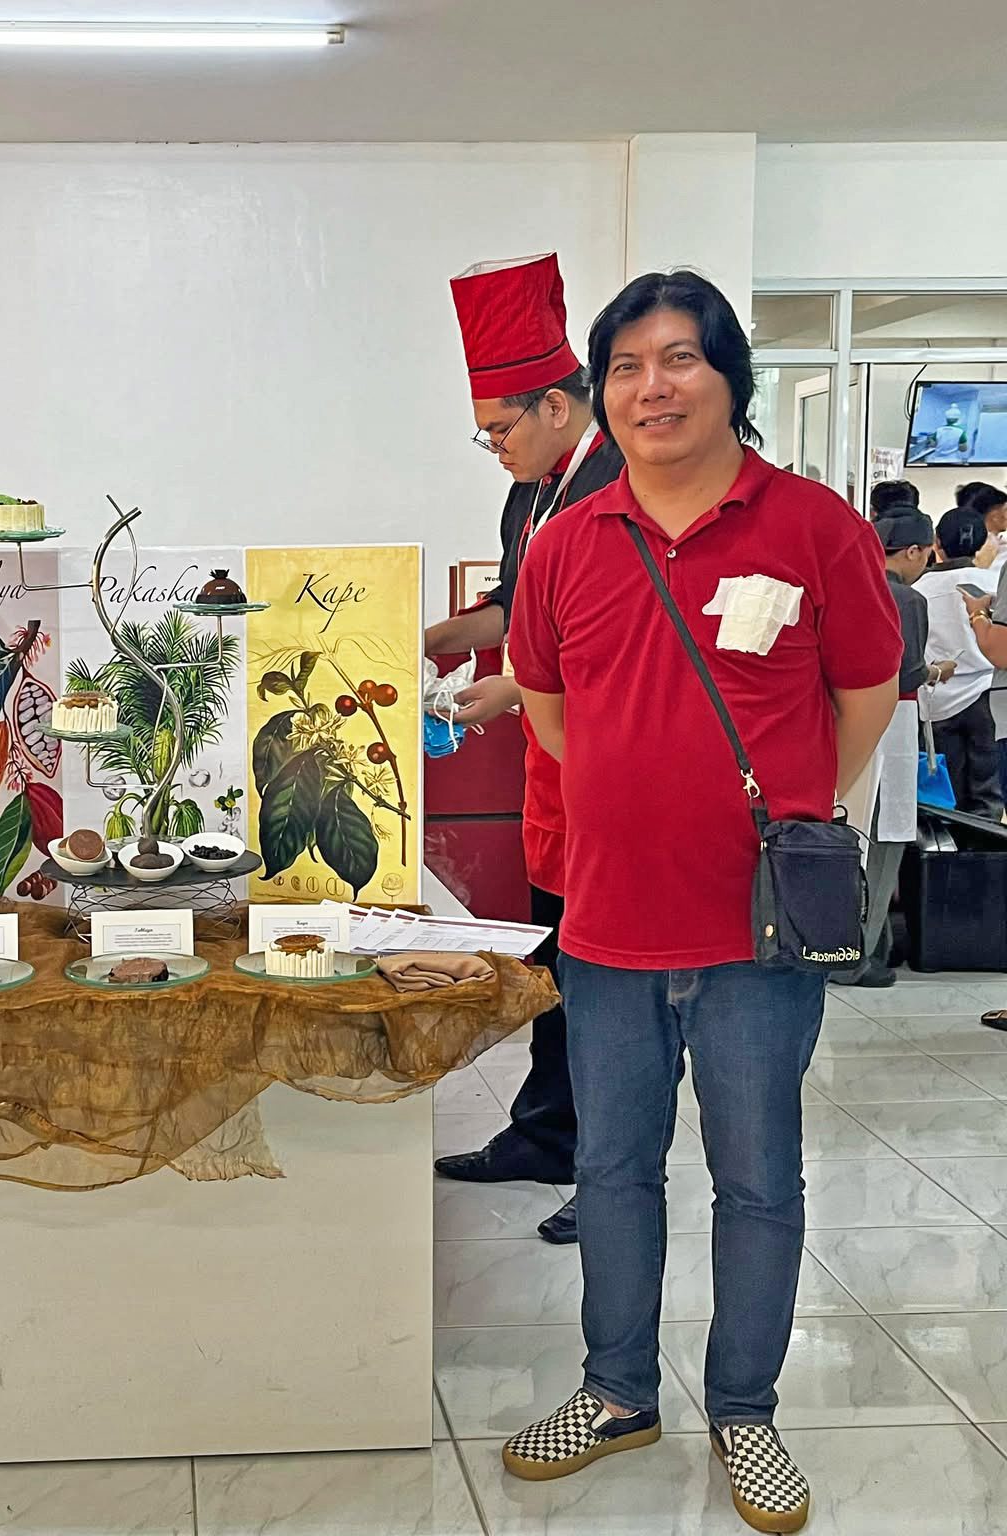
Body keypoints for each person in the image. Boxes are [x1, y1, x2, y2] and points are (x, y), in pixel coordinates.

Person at [503, 272, 899, 1534]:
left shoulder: (814, 527)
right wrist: (639, 798)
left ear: (731, 377)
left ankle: (746, 1410)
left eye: (679, 358)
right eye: (625, 366)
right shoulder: (571, 540)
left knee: (759, 1178)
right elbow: (550, 709)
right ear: (602, 392)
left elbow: (866, 694)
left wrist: (786, 813)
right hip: (609, 921)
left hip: (756, 932)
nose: (651, 387)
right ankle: (617, 1392)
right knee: (612, 1169)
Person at [428, 253, 625, 1248]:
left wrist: (511, 689)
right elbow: (513, 610)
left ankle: (614, 1174)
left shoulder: (623, 482)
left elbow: (624, 640)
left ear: (555, 404)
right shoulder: (532, 491)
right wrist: (421, 640)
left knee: (612, 985)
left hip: (616, 766)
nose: (493, 449)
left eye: (498, 430)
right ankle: (546, 1134)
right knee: (556, 959)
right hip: (550, 771)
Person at [834, 510, 953, 987]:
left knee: (844, 834)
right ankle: (857, 954)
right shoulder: (908, 599)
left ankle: (829, 940)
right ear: (913, 551)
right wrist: (938, 671)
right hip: (893, 724)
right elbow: (908, 672)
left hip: (837, 722)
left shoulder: (842, 586)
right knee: (885, 837)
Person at [915, 506, 1003, 820]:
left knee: (945, 796)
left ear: (936, 543)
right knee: (989, 794)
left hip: (936, 702)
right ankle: (987, 847)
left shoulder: (918, 589)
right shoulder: (994, 582)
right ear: (981, 544)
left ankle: (949, 848)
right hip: (988, 699)